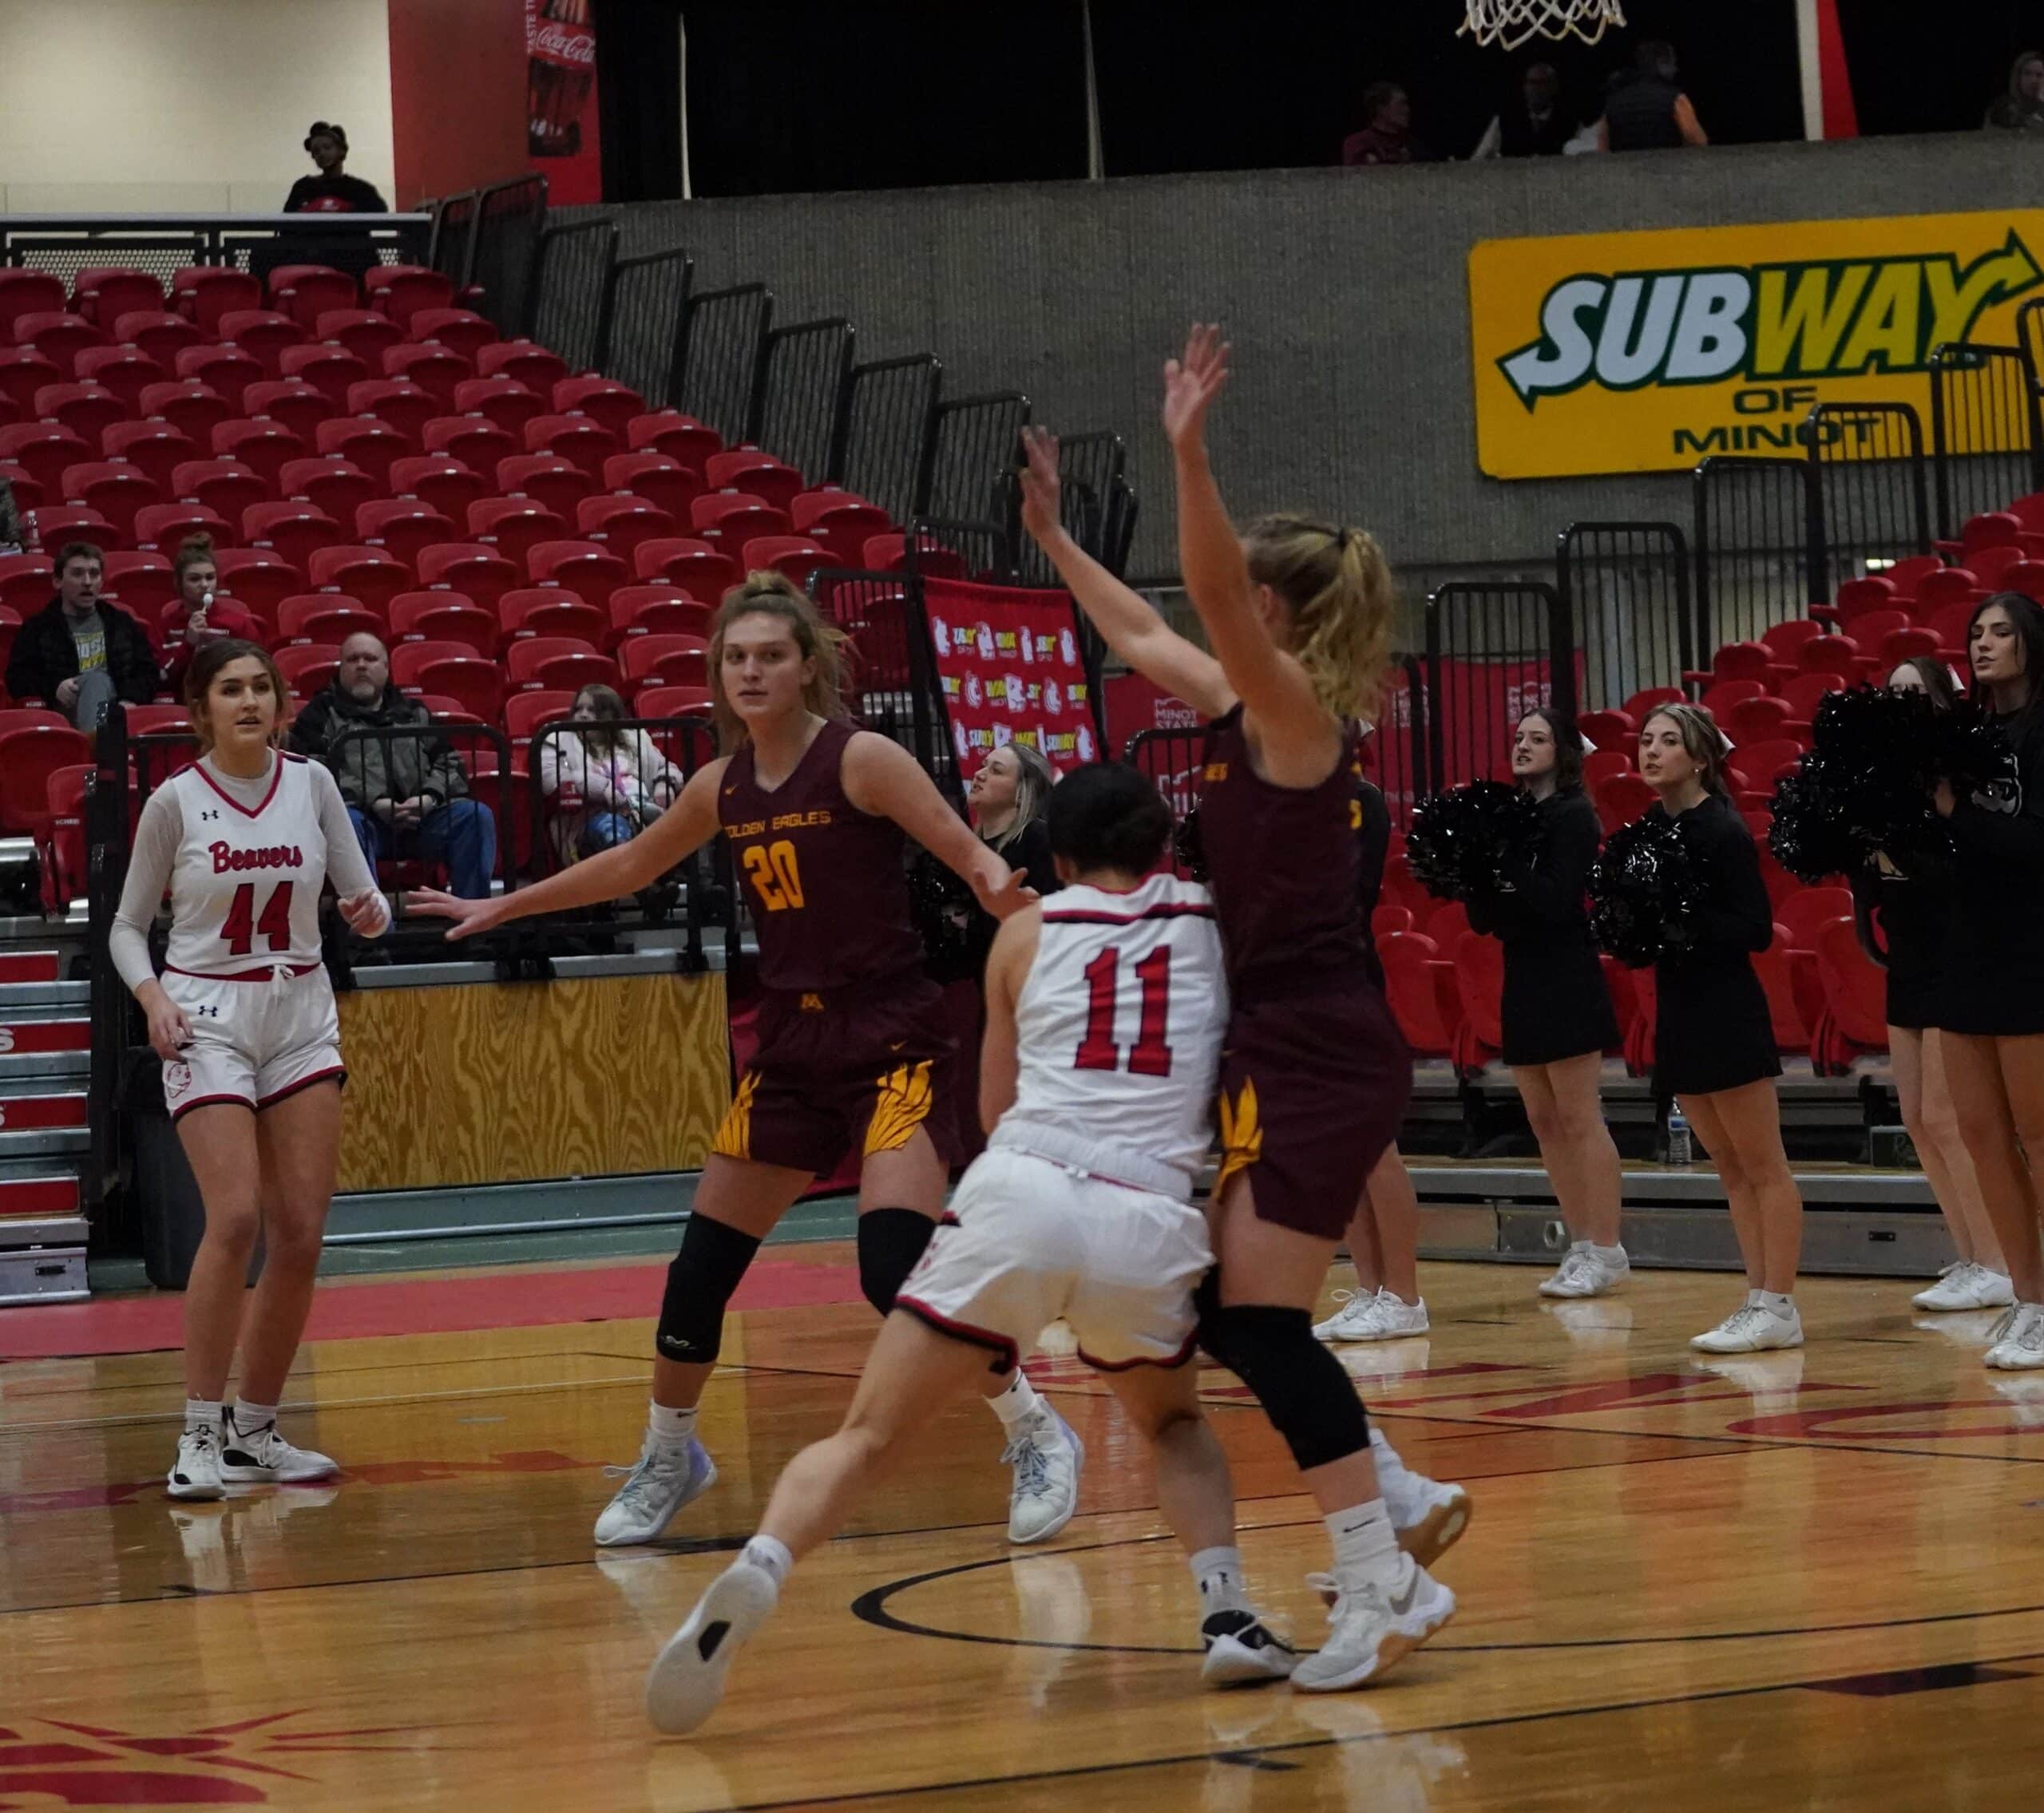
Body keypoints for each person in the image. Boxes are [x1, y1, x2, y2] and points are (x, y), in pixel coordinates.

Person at [408, 574, 1091, 1550]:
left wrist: (996, 889)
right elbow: (630, 864)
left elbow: (962, 848)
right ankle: (670, 1454)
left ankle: (1033, 1428)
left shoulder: (861, 758)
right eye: (736, 658)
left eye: (770, 655)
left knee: (892, 1271)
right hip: (793, 1050)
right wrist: (503, 905)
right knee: (698, 1272)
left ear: (807, 666)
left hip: (891, 1041)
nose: (752, 671)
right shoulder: (719, 785)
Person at [644, 763, 1295, 1734]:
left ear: (1057, 855)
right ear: (1162, 845)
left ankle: (762, 1566)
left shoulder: (1025, 937)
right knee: (1173, 1426)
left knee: (865, 1436)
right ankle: (1226, 1610)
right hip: (1147, 1207)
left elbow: (993, 1109)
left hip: (1026, 1190)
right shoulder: (1211, 927)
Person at [1019, 327, 1463, 1694]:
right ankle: (1390, 1505)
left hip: (1319, 1045)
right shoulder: (1244, 707)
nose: (1216, 614)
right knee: (1226, 1309)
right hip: (1277, 1044)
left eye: (1237, 600)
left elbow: (1200, 595)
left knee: (1257, 1324)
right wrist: (1057, 545)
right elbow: (1143, 628)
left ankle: (1385, 1579)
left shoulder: (1295, 718)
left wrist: (1190, 453)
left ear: (1273, 609)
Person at [109, 638, 390, 1498]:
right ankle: (198, 1431)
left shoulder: (312, 783)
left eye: (261, 686)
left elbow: (365, 898)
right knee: (234, 1219)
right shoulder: (174, 801)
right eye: (230, 689)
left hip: (300, 1010)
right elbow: (126, 927)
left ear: (280, 703)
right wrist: (152, 997)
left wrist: (370, 912)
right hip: (207, 1016)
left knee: (300, 1231)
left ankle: (255, 1432)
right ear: (201, 710)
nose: (249, 700)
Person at [1635, 705, 1803, 1352]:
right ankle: (1756, 1297)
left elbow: (1755, 928)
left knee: (1763, 1163)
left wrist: (1688, 920)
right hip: (1678, 1008)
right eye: (1646, 740)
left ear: (1701, 758)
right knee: (1728, 1166)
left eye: (1668, 740)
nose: (1652, 750)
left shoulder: (1723, 828)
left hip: (1727, 1008)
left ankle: (1780, 1303)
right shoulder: (1651, 829)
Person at [1856, 659, 2010, 1316]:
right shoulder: (1880, 784)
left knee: (1950, 1119)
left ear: (1944, 701)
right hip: (1908, 961)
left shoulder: (1959, 776)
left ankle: (1999, 1261)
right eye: (1894, 693)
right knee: (1917, 1119)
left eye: (1915, 692)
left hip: (1956, 956)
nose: (1903, 703)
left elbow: (1970, 867)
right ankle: (1970, 1254)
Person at [1470, 709, 1626, 1299]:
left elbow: (1559, 901)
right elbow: (1486, 919)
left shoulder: (1574, 814)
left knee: (1579, 1116)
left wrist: (1506, 859)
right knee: (1543, 1120)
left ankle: (1607, 1248)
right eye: (1517, 737)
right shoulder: (1512, 816)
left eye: (1537, 738)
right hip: (1523, 975)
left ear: (1562, 753)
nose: (1523, 746)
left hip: (1566, 973)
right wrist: (1476, 870)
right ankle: (1580, 1244)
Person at [1933, 594, 2044, 1368]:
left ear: (2032, 641)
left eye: (2001, 631)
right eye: (1975, 632)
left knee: (2039, 1134)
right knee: (1980, 1135)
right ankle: (2028, 1295)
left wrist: (1955, 814)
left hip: (2032, 947)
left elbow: (2035, 843)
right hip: (1965, 949)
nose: (1984, 644)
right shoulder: (1965, 737)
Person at [1315, 769, 1432, 1344]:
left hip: (1347, 984)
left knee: (1375, 1146)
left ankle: (1405, 1296)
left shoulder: (1361, 801)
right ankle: (1369, 1289)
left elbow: (1346, 897)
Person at [287, 633, 497, 900]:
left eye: (370, 659)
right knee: (347, 822)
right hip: (364, 821)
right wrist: (375, 801)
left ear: (386, 668)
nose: (361, 665)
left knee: (475, 816)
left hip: (422, 819)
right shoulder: (317, 715)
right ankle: (372, 924)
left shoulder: (414, 712)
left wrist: (428, 798)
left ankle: (471, 917)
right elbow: (316, 773)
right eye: (352, 659)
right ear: (341, 668)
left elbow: (450, 763)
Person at [5, 542, 161, 730]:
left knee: (98, 682)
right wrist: (55, 688)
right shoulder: (38, 628)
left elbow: (148, 671)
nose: (87, 582)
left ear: (101, 582)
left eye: (94, 574)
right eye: (77, 574)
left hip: (115, 709)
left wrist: (130, 699)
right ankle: (99, 741)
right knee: (96, 681)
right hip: (64, 711)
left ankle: (97, 739)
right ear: (58, 581)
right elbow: (17, 677)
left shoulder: (121, 623)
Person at [538, 683, 683, 866]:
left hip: (643, 808)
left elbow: (666, 767)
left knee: (693, 818)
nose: (583, 715)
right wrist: (602, 788)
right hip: (590, 818)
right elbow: (552, 778)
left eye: (592, 710)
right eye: (578, 709)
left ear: (611, 714)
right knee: (613, 828)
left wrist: (664, 784)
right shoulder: (557, 738)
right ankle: (640, 881)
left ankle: (701, 880)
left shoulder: (634, 736)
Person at [963, 742, 1060, 976]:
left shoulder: (1040, 839)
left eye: (996, 770)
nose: (979, 774)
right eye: (983, 765)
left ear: (1021, 792)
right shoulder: (969, 843)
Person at [160, 536, 262, 698]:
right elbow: (163, 678)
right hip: (185, 702)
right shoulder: (166, 626)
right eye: (194, 579)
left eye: (210, 577)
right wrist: (189, 643)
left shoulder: (238, 623)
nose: (204, 585)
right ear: (179, 583)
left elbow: (258, 668)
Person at [1597, 42, 1707, 151]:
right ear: (1662, 64)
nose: (1675, 69)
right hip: (1667, 161)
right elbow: (1698, 141)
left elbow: (1603, 147)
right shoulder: (1677, 99)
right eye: (1673, 63)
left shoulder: (1614, 101)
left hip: (1625, 162)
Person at [1473, 63, 1578, 159]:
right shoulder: (1505, 119)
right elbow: (1481, 156)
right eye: (1532, 82)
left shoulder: (1570, 122)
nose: (1536, 89)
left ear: (1554, 86)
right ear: (1525, 87)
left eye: (1542, 83)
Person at [284, 123, 388, 216]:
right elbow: (285, 223)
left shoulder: (361, 190)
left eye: (327, 147)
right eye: (316, 151)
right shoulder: (303, 187)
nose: (322, 154)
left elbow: (381, 214)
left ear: (342, 151)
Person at [1341, 83, 1436, 167]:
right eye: (1401, 104)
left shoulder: (1413, 146)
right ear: (1381, 109)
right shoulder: (1358, 143)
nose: (1407, 110)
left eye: (1406, 104)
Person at [1984, 50, 2044, 133]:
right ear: (2018, 77)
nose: (2033, 80)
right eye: (2027, 74)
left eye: (2039, 75)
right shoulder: (2002, 108)